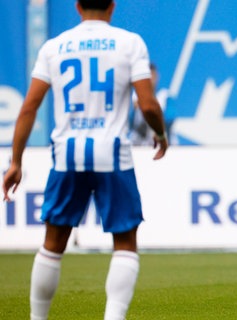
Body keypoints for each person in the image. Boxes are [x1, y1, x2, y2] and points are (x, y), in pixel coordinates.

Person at [2, 1, 168, 319]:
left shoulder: (54, 47)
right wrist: (160, 136)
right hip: (113, 156)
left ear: (77, 6)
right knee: (124, 241)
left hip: (67, 155)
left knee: (52, 243)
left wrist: (16, 162)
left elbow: (29, 108)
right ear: (113, 6)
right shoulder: (129, 42)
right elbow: (147, 105)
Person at [130, 62, 172, 145]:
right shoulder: (135, 96)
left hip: (160, 139)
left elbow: (170, 118)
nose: (151, 79)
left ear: (157, 76)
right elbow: (129, 123)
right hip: (140, 142)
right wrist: (134, 111)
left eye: (153, 75)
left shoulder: (164, 96)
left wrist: (152, 112)